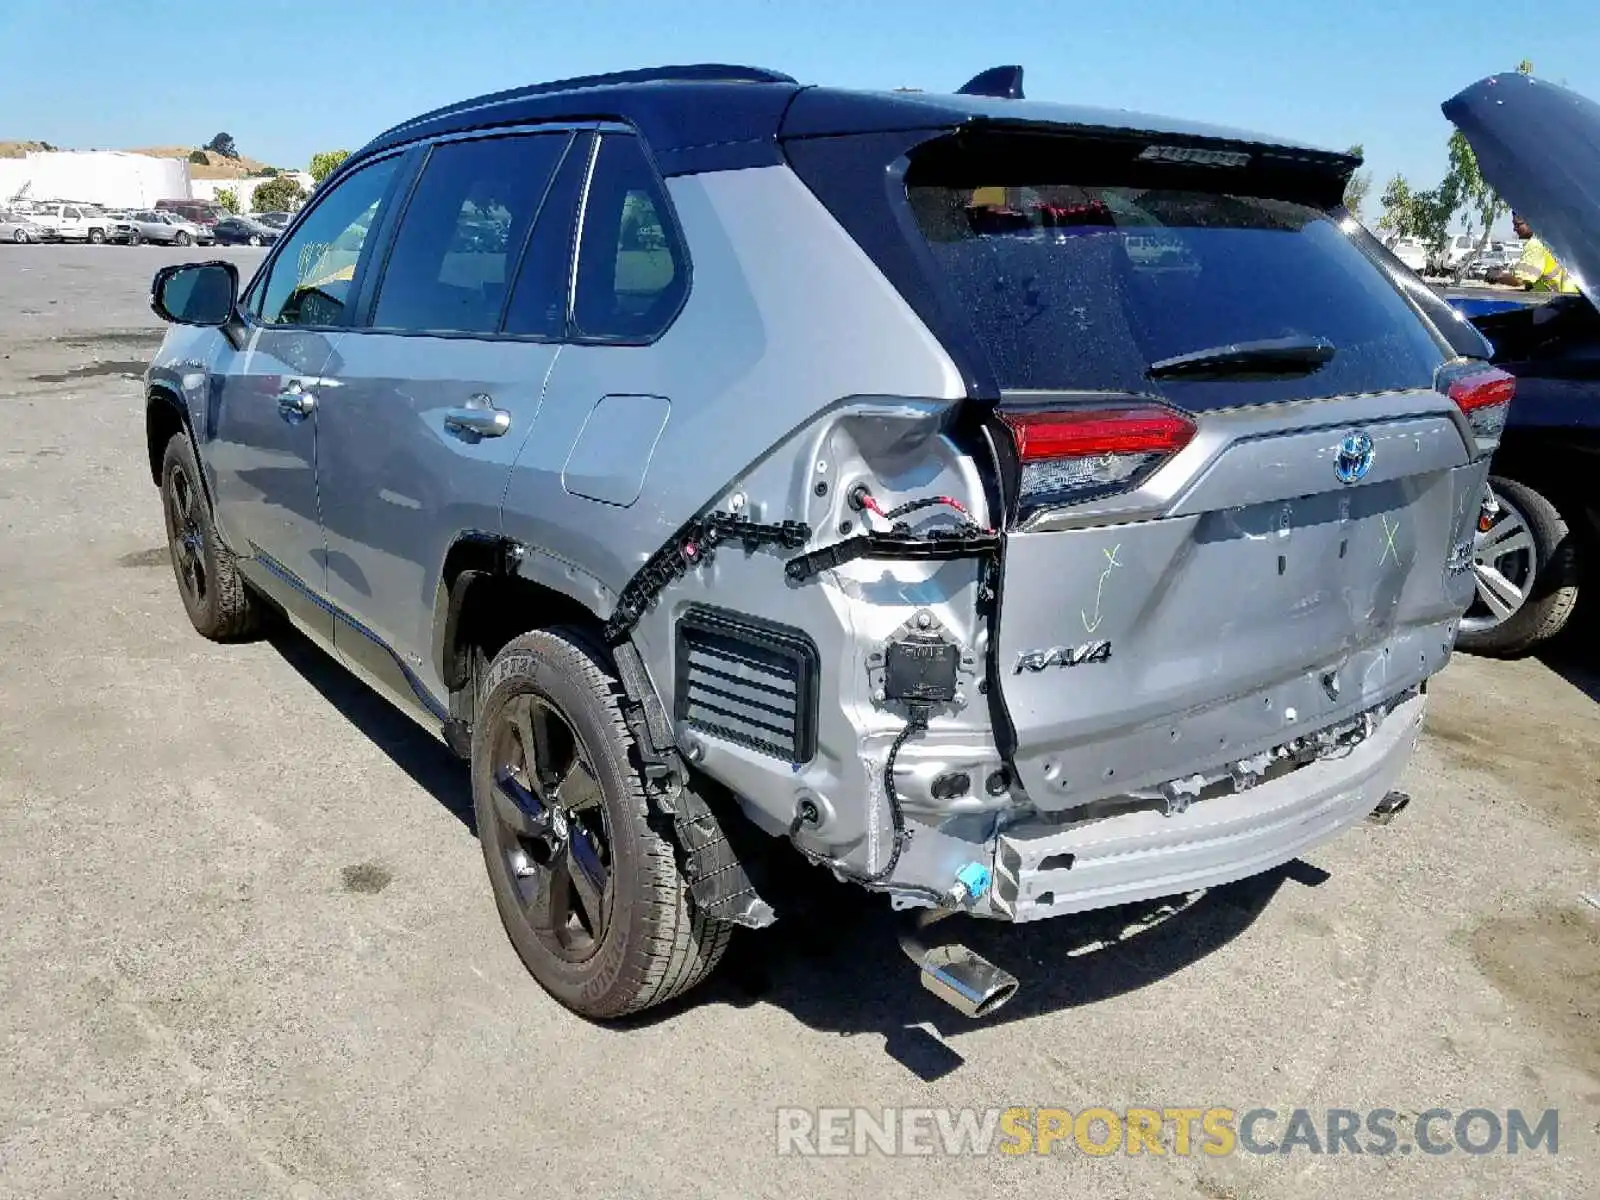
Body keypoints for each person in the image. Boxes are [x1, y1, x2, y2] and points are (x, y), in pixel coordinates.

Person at [1494, 212, 1580, 292]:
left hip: (1566, 300)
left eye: (1517, 225)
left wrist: (1498, 276)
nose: (1514, 229)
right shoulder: (1554, 240)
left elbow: (1520, 282)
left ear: (1531, 222)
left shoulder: (1536, 244)